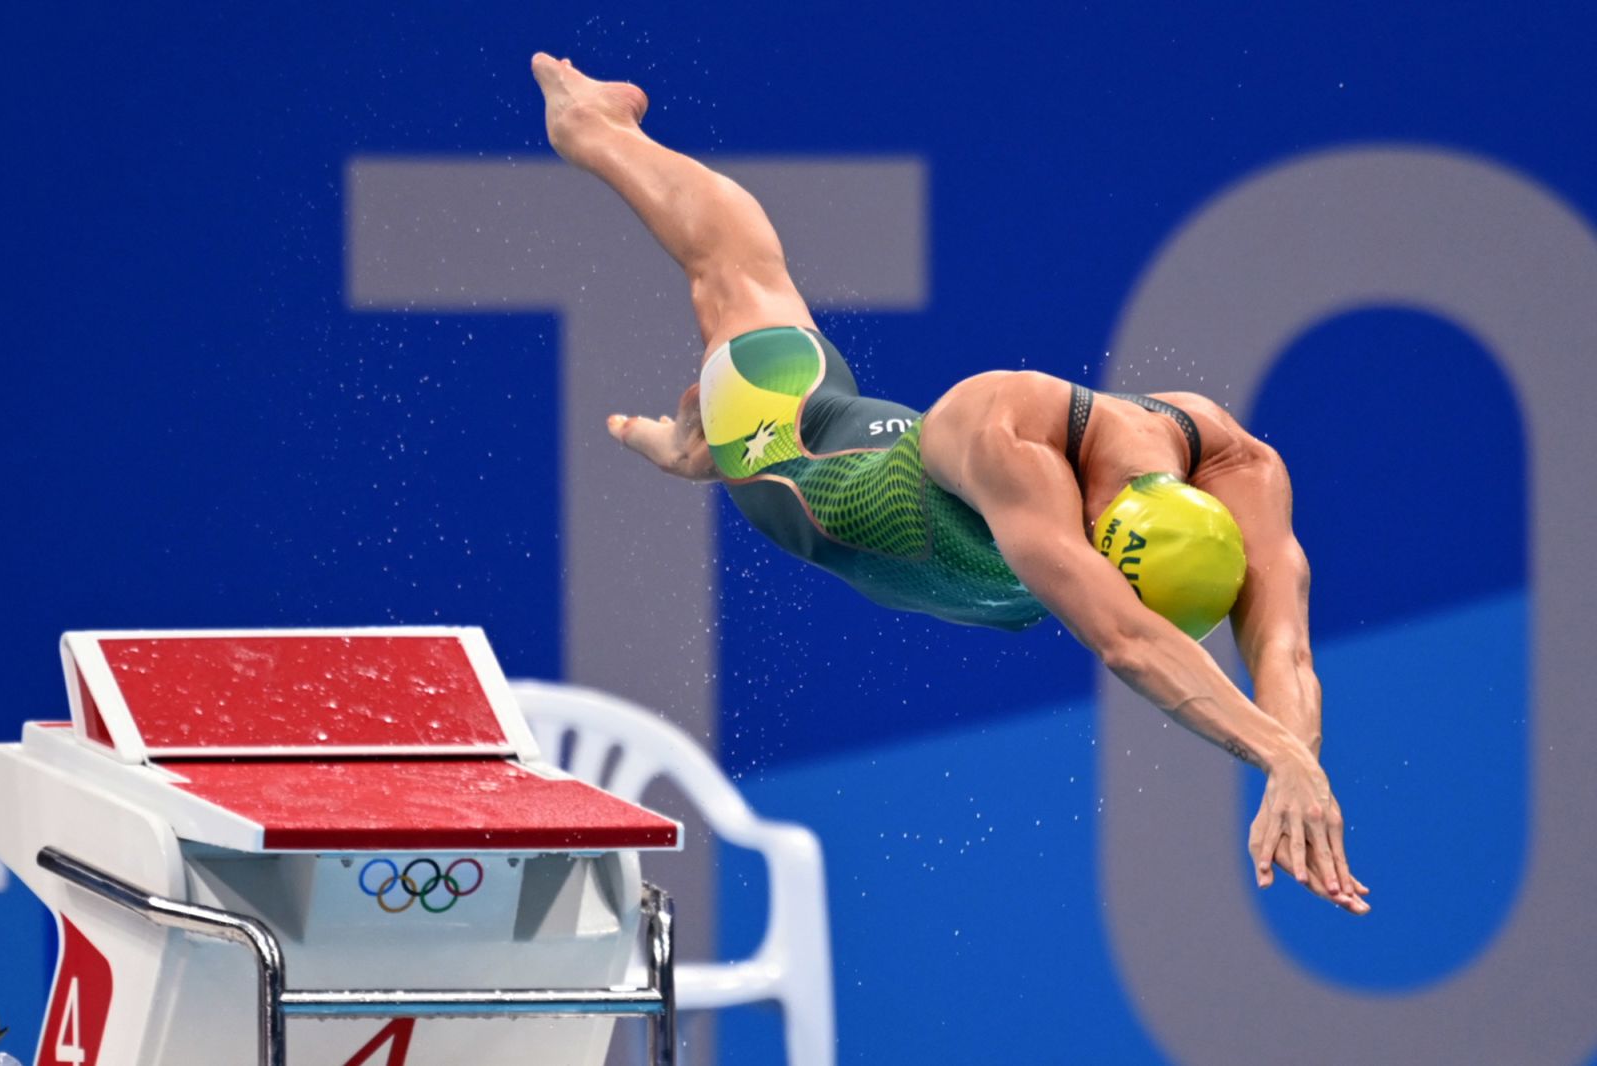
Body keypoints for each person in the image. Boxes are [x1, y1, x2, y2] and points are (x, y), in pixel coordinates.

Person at [531, 53, 1369, 914]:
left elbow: (1285, 651)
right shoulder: (1010, 428)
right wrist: (1274, 755)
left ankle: (688, 439)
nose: (1090, 589)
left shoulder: (1239, 465)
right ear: (1103, 520)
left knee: (752, 316)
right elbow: (1127, 643)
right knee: (737, 272)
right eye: (1108, 578)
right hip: (794, 449)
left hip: (893, 459)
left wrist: (1299, 771)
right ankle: (592, 129)